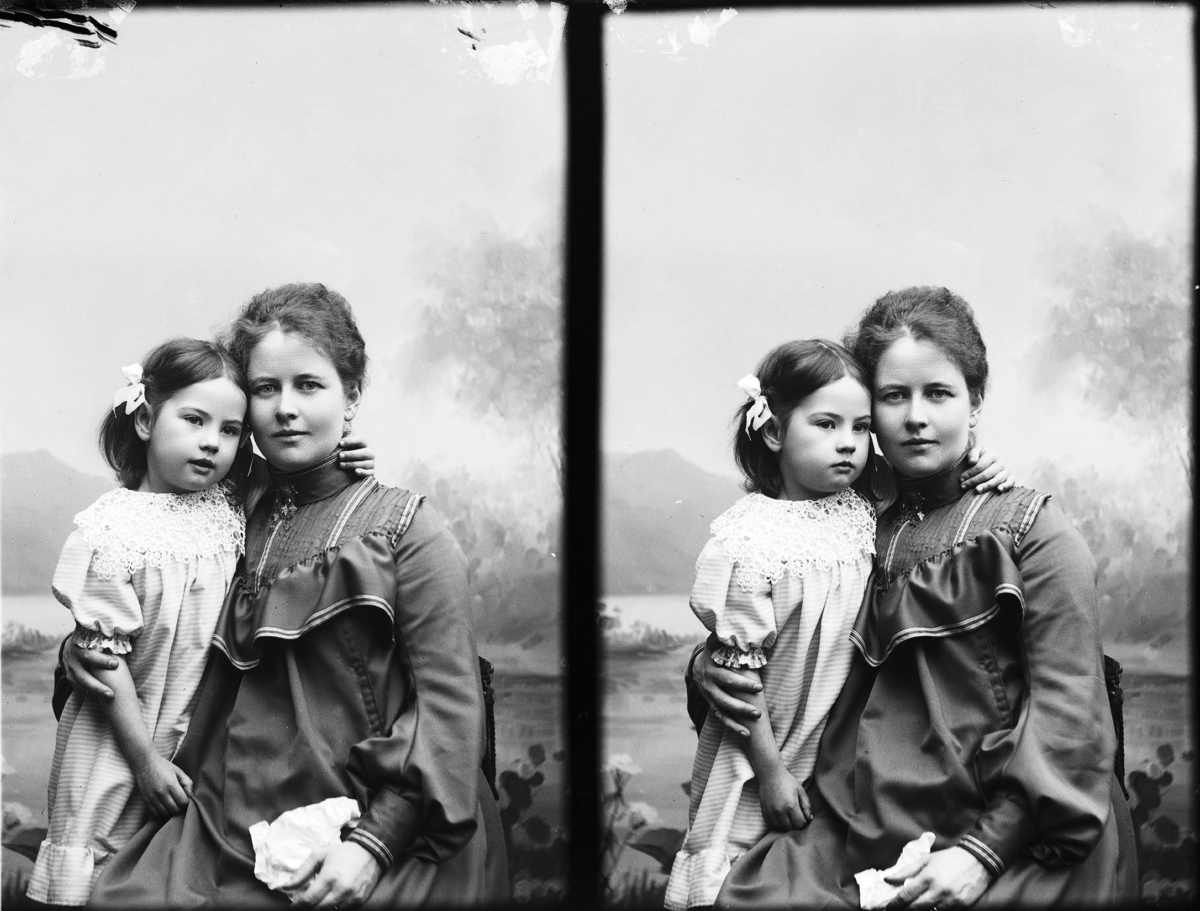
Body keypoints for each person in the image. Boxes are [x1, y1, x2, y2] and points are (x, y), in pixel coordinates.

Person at [63, 283, 508, 908]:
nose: (285, 409)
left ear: (352, 396)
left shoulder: (408, 529)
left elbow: (450, 707)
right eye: (265, 389)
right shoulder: (224, 519)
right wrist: (80, 648)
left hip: (375, 819)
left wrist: (373, 844)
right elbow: (144, 616)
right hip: (222, 819)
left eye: (310, 386)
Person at [693, 286, 1138, 907]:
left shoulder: (1033, 531)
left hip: (1011, 816)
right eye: (894, 396)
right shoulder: (849, 527)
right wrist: (706, 667)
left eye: (939, 394)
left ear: (975, 402)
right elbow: (775, 631)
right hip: (856, 813)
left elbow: (1071, 713)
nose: (915, 417)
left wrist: (983, 852)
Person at [28, 339, 374, 907]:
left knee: (160, 871)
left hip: (196, 732)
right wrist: (145, 761)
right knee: (98, 856)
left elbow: (300, 465)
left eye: (231, 430)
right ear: (145, 420)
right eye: (194, 420)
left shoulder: (230, 502)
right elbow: (104, 662)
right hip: (122, 736)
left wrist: (344, 455)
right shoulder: (109, 531)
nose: (212, 442)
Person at [664, 340, 879, 910]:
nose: (848, 443)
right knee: (738, 861)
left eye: (861, 428)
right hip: (762, 745)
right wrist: (772, 772)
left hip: (832, 741)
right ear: (775, 431)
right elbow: (739, 678)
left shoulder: (864, 510)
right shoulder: (747, 540)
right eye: (826, 424)